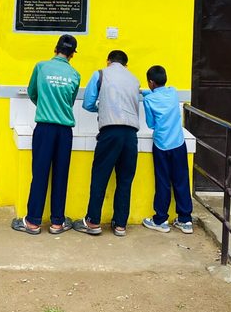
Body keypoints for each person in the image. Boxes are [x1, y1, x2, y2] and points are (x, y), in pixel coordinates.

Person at [11, 34, 81, 235]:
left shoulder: (41, 67)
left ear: (55, 49)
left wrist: (44, 106)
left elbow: (32, 92)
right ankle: (57, 222)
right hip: (65, 131)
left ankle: (33, 221)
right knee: (61, 174)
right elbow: (70, 100)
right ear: (72, 55)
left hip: (44, 128)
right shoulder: (75, 75)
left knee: (40, 173)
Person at [73, 50, 140, 237]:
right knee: (125, 180)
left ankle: (93, 222)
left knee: (100, 176)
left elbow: (87, 103)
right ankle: (120, 225)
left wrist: (102, 109)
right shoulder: (134, 79)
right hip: (131, 134)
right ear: (126, 65)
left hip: (110, 132)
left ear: (108, 61)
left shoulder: (100, 74)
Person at [141, 65, 193, 234]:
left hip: (161, 144)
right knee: (181, 180)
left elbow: (150, 124)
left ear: (150, 82)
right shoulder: (173, 92)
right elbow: (160, 93)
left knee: (163, 181)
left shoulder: (149, 100)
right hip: (178, 142)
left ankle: (160, 219)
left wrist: (143, 94)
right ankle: (185, 220)